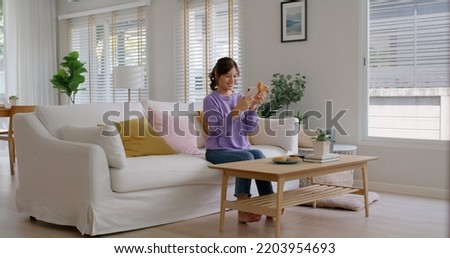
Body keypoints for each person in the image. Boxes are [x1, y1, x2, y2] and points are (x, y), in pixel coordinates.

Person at [203, 57, 274, 223]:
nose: (232, 80)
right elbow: (218, 130)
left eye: (235, 76)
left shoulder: (240, 98)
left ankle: (269, 203)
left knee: (258, 154)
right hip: (217, 151)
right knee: (247, 158)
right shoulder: (210, 100)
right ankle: (243, 208)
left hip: (240, 148)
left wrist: (253, 107)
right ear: (217, 75)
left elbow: (249, 128)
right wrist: (237, 110)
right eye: (228, 76)